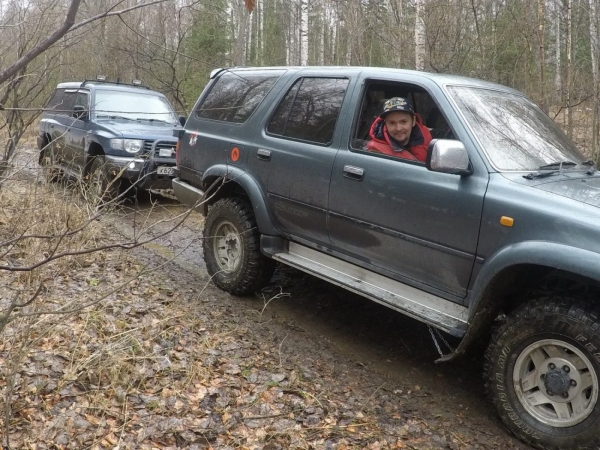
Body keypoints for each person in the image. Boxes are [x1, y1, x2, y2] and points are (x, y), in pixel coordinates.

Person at [366, 97, 432, 162]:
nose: (398, 128)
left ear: (413, 121)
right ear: (385, 124)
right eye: (392, 123)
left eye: (403, 122)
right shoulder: (375, 150)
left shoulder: (425, 136)